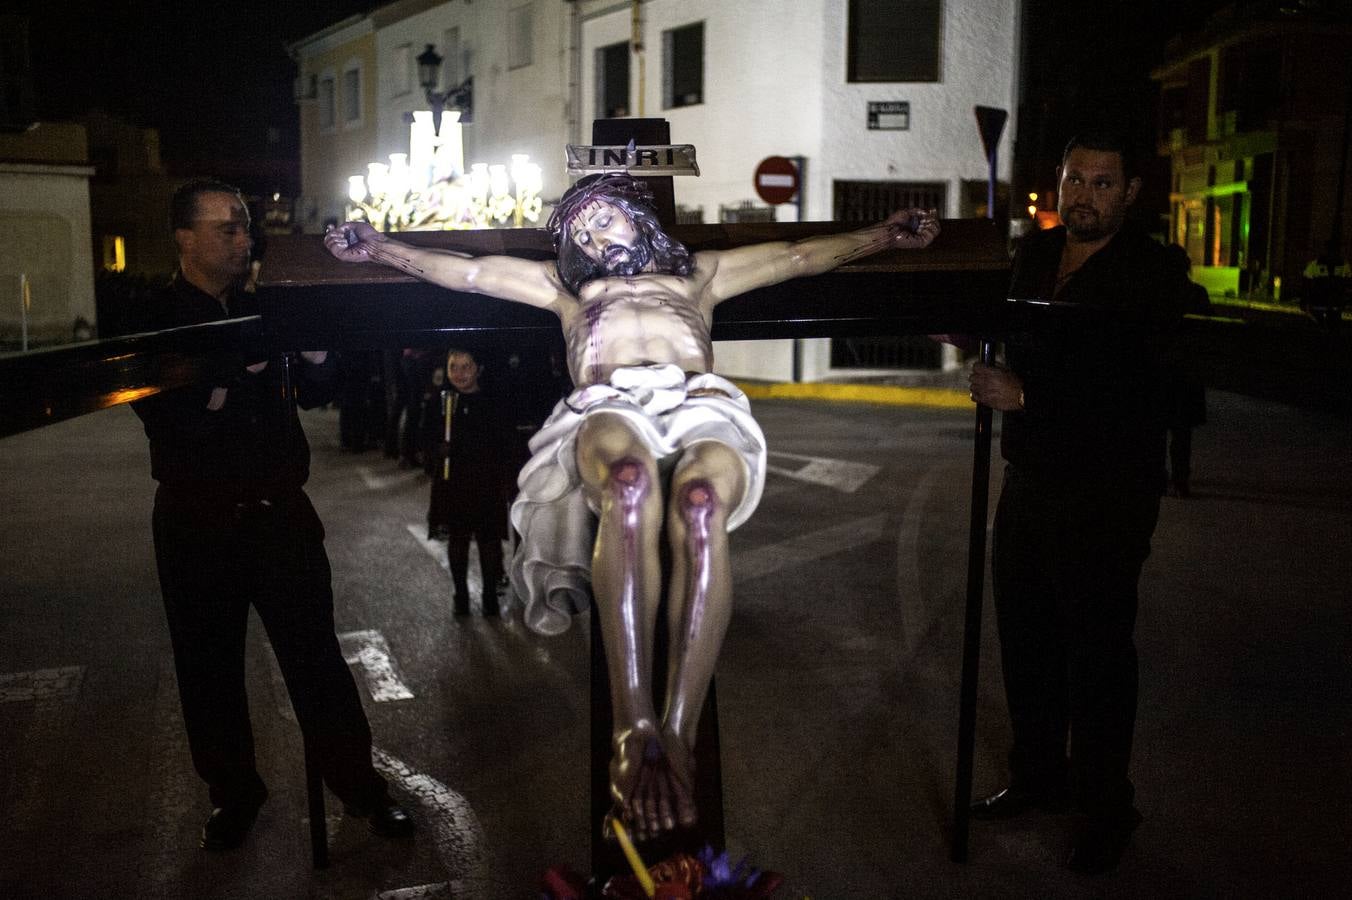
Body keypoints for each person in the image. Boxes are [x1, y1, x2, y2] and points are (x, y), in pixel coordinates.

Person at [325, 174, 939, 841]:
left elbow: (796, 256)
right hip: (610, 405)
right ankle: (632, 718)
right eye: (581, 236)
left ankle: (678, 725)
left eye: (602, 221)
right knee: (627, 484)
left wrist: (883, 235)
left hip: (698, 405)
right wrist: (381, 250)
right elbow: (471, 273)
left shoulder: (698, 278)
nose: (593, 240)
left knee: (701, 507)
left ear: (637, 217)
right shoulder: (570, 293)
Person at [133, 179, 414, 851]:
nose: (242, 238)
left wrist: (313, 350)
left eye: (244, 227)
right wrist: (232, 372)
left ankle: (359, 788)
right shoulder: (157, 317)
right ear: (185, 238)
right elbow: (167, 416)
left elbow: (316, 392)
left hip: (278, 514)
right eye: (226, 227)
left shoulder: (264, 308)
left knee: (316, 660)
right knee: (209, 668)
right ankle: (233, 793)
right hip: (198, 521)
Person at [966, 133, 1189, 873]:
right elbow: (1001, 327)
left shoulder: (1154, 273)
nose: (1085, 194)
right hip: (1030, 481)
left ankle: (1105, 810)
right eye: (1075, 180)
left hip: (1108, 494)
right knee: (1025, 639)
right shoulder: (1036, 256)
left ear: (1130, 194)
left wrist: (1026, 395)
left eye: (1102, 182)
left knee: (1096, 655)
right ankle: (1037, 778)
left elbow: (1146, 390)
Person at [427, 347, 510, 616]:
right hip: (453, 483)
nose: (459, 374)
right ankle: (460, 594)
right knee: (458, 540)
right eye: (454, 367)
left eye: (465, 367)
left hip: (484, 480)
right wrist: (437, 449)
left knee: (488, 540)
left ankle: (489, 594)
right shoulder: (440, 402)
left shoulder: (491, 401)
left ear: (477, 369)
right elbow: (424, 437)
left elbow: (502, 442)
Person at [1163, 244, 1211, 497]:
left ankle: (1159, 479)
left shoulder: (1155, 295)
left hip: (1159, 370)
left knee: (1157, 428)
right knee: (1182, 432)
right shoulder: (1197, 294)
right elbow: (1207, 333)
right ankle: (1181, 480)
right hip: (1187, 371)